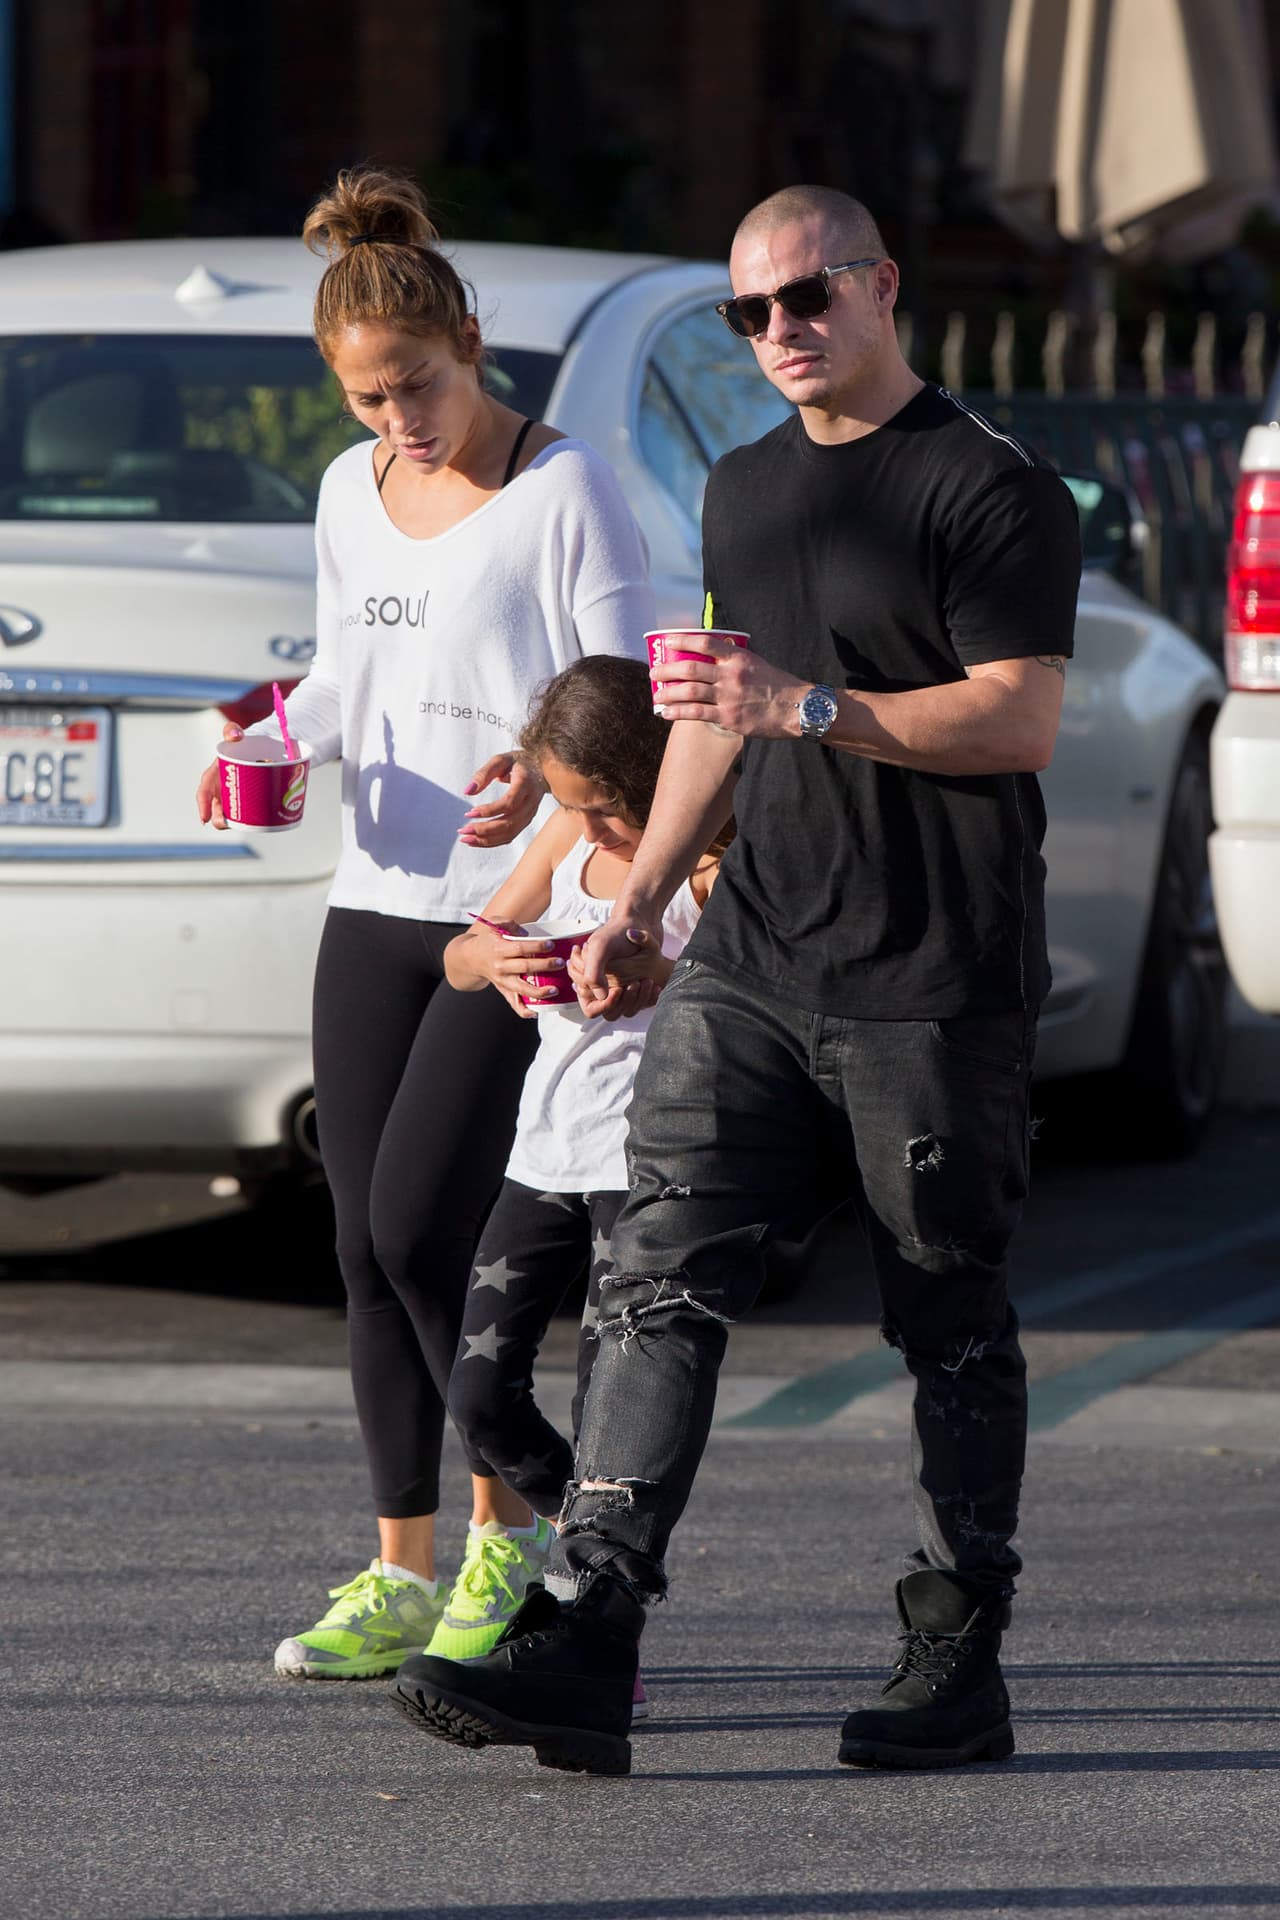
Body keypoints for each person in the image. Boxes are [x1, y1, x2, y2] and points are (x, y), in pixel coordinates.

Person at [391, 183, 1082, 1776]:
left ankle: (956, 1645)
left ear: (882, 288)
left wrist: (815, 710)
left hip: (933, 975)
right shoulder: (745, 486)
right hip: (755, 961)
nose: (780, 332)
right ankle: (591, 1630)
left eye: (808, 299)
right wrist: (635, 897)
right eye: (750, 312)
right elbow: (708, 704)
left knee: (947, 1318)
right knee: (651, 1278)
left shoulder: (993, 490)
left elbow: (1018, 718)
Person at [195, 166, 653, 1680]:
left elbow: (624, 701)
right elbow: (344, 676)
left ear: (472, 338)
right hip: (372, 900)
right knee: (356, 1248)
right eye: (370, 400)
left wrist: (540, 771)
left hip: (502, 920)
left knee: (428, 1234)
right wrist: (272, 738)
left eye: (421, 387)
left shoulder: (564, 487)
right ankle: (399, 1569)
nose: (400, 422)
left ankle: (508, 1538)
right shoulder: (347, 491)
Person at [416, 656, 723, 1725]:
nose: (583, 829)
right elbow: (465, 951)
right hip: (541, 1157)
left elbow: (749, 992)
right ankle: (572, 1550)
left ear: (651, 785)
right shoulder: (566, 838)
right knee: (479, 1395)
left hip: (637, 1175)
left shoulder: (700, 867)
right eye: (569, 806)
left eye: (599, 809)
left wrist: (661, 973)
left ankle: (592, 1624)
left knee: (610, 1414)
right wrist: (496, 964)